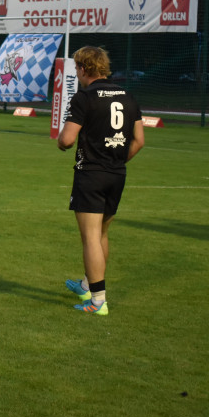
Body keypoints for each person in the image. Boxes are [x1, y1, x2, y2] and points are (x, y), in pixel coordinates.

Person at [58, 46, 144, 316]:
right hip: (117, 174)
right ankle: (87, 285)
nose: (77, 73)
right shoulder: (128, 95)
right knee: (102, 234)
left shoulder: (84, 97)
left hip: (90, 174)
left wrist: (61, 142)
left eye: (76, 68)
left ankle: (97, 301)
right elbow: (139, 140)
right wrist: (115, 163)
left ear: (83, 69)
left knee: (90, 238)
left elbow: (67, 139)